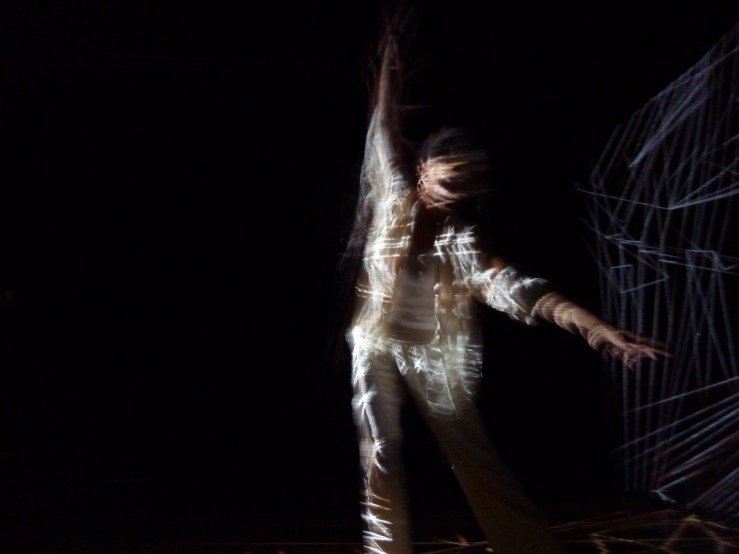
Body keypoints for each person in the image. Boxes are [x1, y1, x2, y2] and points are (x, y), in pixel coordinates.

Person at [340, 9, 668, 554]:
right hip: (374, 342)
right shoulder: (393, 197)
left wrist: (597, 331)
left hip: (434, 357)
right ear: (425, 171)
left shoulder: (462, 243)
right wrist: (390, 63)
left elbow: (526, 291)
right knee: (380, 450)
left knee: (473, 456)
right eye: (450, 177)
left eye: (465, 183)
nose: (456, 189)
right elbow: (382, 129)